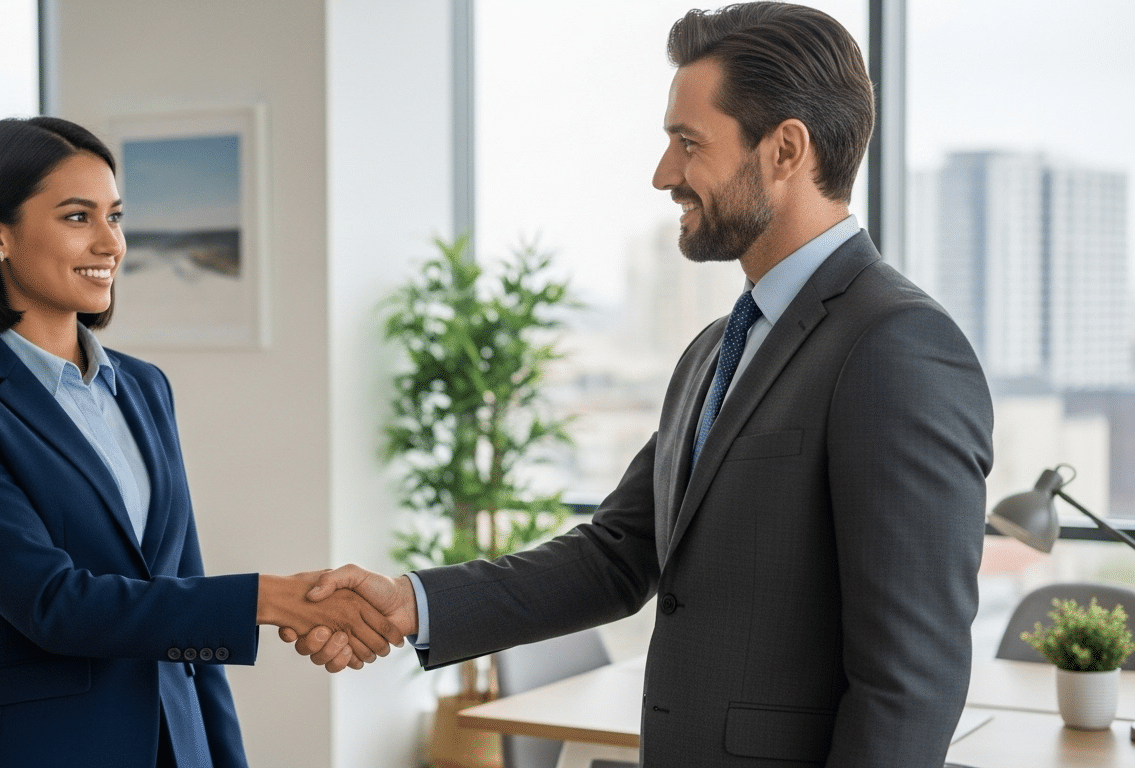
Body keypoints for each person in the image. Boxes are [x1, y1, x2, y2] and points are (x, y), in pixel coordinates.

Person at [286, 3, 994, 765]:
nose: (664, 175)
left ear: (785, 149)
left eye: (688, 144)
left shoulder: (898, 346)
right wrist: (412, 603)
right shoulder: (714, 351)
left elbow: (911, 683)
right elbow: (617, 553)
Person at [0, 116, 400, 768]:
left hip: (176, 740)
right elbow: (52, 604)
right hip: (43, 749)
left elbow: (181, 577)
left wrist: (223, 756)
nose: (111, 243)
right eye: (78, 217)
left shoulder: (145, 387)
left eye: (116, 216)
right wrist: (267, 597)